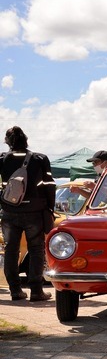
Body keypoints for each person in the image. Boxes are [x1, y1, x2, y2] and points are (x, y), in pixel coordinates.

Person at [0, 126, 56, 302]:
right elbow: (49, 185)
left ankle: (15, 290)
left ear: (8, 142)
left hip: (9, 211)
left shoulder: (2, 159)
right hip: (34, 211)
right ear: (26, 139)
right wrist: (50, 209)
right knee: (36, 250)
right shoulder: (39, 159)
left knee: (11, 250)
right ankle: (36, 291)